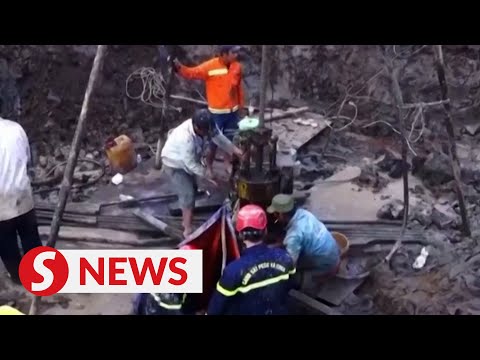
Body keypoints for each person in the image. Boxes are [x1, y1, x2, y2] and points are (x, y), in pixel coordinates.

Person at [161, 108, 243, 238]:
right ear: (196, 127)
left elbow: (219, 139)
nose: (207, 133)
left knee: (193, 189)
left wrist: (235, 150)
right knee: (187, 194)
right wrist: (209, 175)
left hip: (189, 160)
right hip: (174, 163)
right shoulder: (185, 138)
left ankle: (185, 219)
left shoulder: (208, 124)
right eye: (205, 132)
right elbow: (191, 165)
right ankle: (187, 230)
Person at [207, 204, 296, 315]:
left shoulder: (233, 271)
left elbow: (215, 309)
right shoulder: (285, 258)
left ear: (240, 235)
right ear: (265, 231)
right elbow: (291, 285)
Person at [173, 45, 246, 172]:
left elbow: (238, 88)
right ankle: (209, 166)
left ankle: (227, 163)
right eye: (233, 52)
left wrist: (241, 106)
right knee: (213, 142)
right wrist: (179, 68)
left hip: (232, 112)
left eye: (236, 52)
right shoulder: (210, 66)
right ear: (224, 54)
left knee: (229, 138)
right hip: (217, 113)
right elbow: (192, 73)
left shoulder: (237, 66)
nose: (236, 55)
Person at [0, 116, 43, 284]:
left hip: (2, 201)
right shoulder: (16, 128)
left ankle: (18, 277)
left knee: (6, 243)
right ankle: (40, 272)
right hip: (23, 193)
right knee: (30, 236)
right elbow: (27, 160)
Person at [267, 194, 341, 279]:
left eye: (276, 214)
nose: (275, 217)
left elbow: (290, 265)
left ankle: (318, 278)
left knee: (296, 279)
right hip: (333, 251)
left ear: (281, 214)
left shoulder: (294, 235)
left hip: (327, 264)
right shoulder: (304, 213)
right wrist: (274, 246)